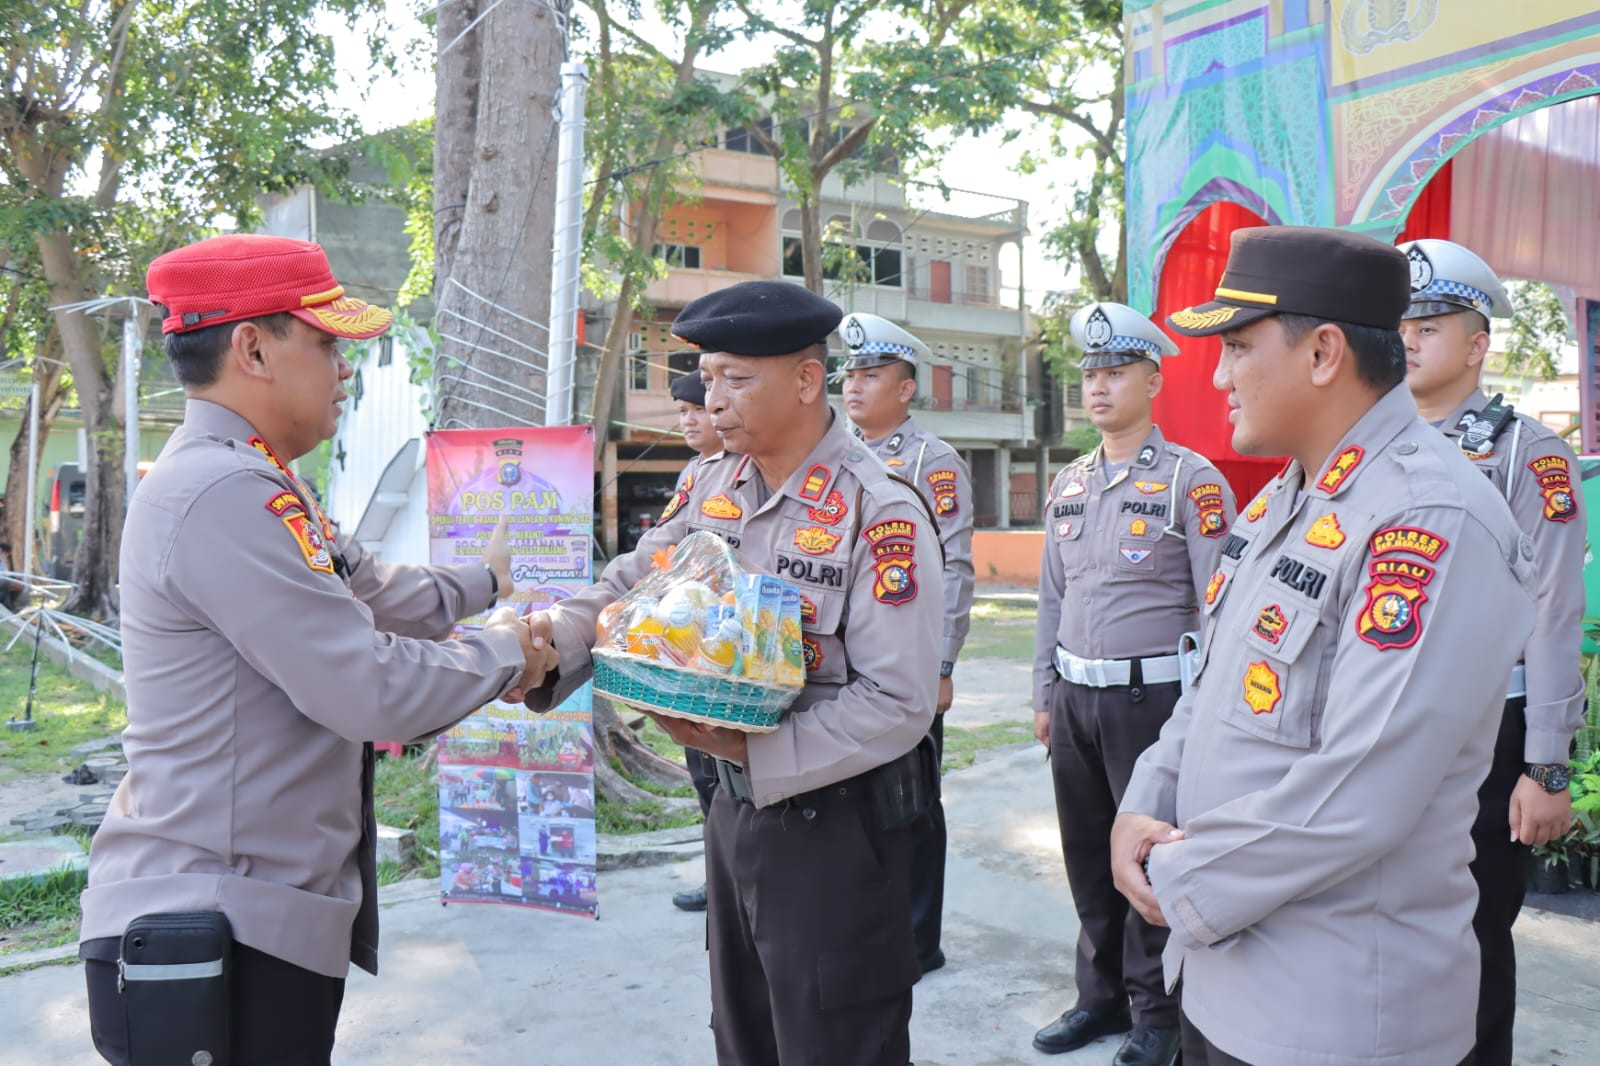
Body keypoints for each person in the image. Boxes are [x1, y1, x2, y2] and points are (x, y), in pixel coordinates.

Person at [78, 234, 555, 1065]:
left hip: (252, 914)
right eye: (328, 343)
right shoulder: (223, 490)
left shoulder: (259, 477)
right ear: (252, 347)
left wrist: (486, 580)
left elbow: (370, 591)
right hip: (219, 926)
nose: (346, 370)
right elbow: (364, 683)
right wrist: (511, 653)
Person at [1112, 226, 1538, 1066]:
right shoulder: (1286, 502)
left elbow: (1365, 785)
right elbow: (1212, 686)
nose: (1219, 375)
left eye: (1237, 347)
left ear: (1323, 354)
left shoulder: (1428, 517)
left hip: (1332, 1013)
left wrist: (1182, 880)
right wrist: (1143, 800)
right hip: (1222, 976)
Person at [522, 280, 943, 1066]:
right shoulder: (715, 484)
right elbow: (632, 580)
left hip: (836, 829)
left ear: (809, 381)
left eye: (736, 380)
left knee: (833, 1042)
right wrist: (550, 641)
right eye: (708, 378)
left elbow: (898, 700)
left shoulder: (877, 511)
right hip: (733, 812)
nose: (712, 401)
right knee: (744, 1034)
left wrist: (754, 752)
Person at [1029, 302, 1234, 1066]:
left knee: (1146, 858)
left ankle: (1159, 1014)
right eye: (1090, 373)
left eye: (1115, 372)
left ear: (1153, 380)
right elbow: (1054, 596)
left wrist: (1208, 713)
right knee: (1086, 853)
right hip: (1076, 697)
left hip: (1152, 700)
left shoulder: (1193, 480)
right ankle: (1100, 997)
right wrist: (1044, 691)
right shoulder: (1071, 482)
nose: (1099, 386)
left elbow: (1222, 606)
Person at [1398, 237, 1584, 1066]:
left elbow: (1552, 612)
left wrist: (1546, 768)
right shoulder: (1368, 447)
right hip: (1388, 724)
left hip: (1486, 728)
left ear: (1476, 344)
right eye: (1400, 318)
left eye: (1431, 321)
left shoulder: (1526, 453)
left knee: (1473, 934)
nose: (1408, 335)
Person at [838, 311, 975, 976]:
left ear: (906, 387)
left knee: (913, 801)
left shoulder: (932, 463)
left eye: (870, 374)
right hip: (847, 665)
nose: (853, 386)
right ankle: (875, 926)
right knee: (857, 801)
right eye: (849, 373)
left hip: (912, 664)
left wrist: (942, 664)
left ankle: (921, 941)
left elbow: (955, 567)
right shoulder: (835, 456)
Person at [666, 367, 727, 913]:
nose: (688, 419)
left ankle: (731, 881)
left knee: (726, 775)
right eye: (682, 411)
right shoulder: (695, 472)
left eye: (697, 409)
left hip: (726, 652)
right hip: (689, 647)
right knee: (703, 775)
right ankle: (720, 879)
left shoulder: (737, 468)